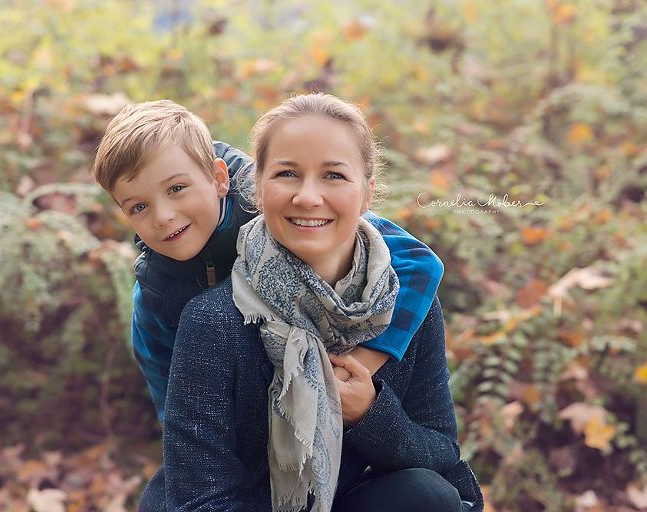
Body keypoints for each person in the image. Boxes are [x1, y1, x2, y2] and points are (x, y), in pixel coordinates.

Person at [139, 94, 483, 511]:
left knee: (427, 496)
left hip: (343, 498)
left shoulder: (407, 304)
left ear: (367, 192)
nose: (308, 196)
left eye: (334, 176)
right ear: (258, 189)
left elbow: (440, 454)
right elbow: (198, 497)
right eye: (287, 174)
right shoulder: (214, 322)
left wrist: (369, 415)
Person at [92, 100, 445, 421]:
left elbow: (417, 261)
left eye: (176, 189)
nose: (163, 217)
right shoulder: (157, 292)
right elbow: (172, 399)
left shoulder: (270, 203)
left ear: (218, 178)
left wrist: (357, 366)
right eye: (139, 207)